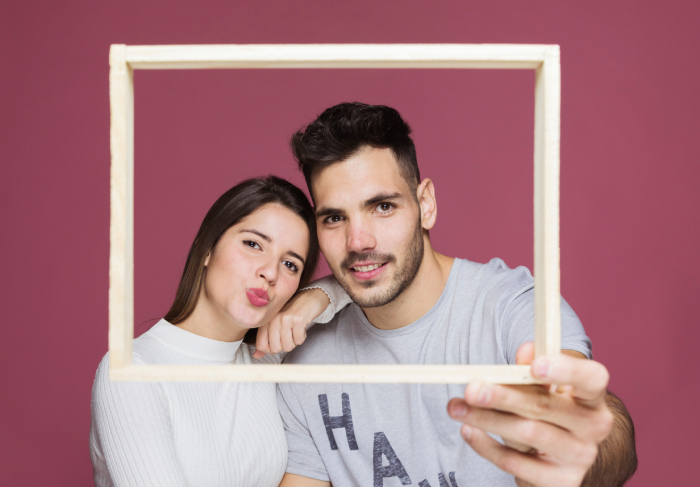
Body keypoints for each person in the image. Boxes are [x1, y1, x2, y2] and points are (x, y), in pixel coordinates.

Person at [253, 103, 637, 487]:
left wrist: (581, 440)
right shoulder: (306, 362)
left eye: (383, 206)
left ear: (426, 204)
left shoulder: (509, 307)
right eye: (335, 218)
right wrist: (321, 293)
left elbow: (601, 428)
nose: (358, 242)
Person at [90, 176, 332, 487]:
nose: (270, 273)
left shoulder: (267, 358)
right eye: (253, 244)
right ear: (207, 249)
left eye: (290, 265)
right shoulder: (133, 371)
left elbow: (365, 279)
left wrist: (313, 300)